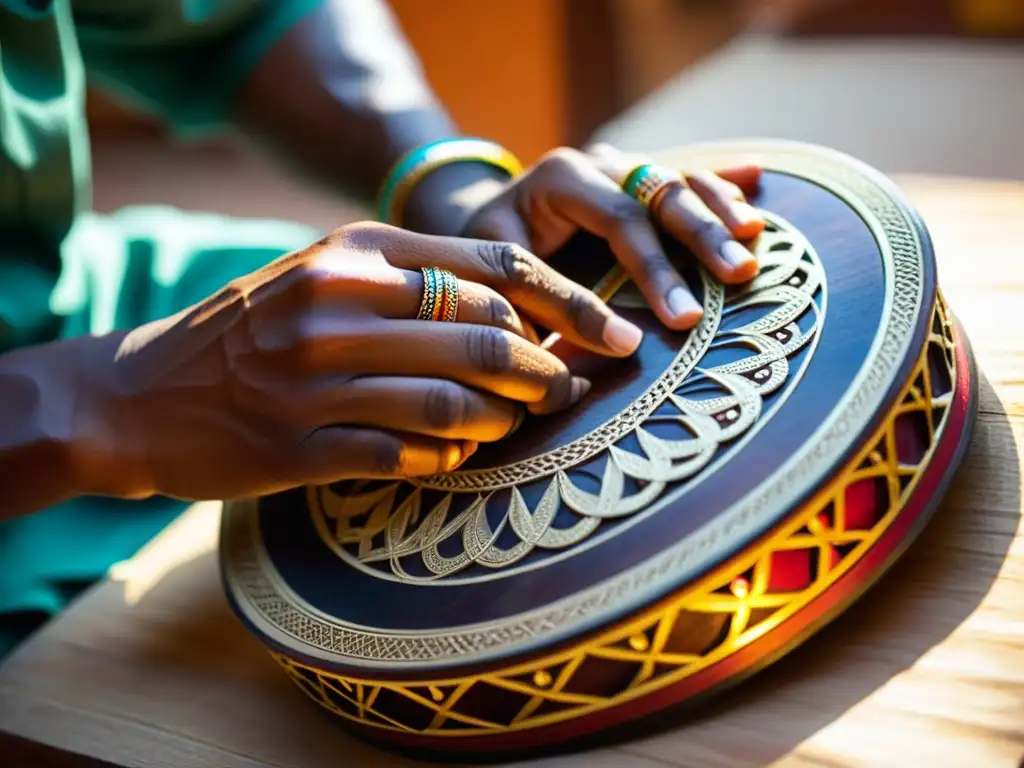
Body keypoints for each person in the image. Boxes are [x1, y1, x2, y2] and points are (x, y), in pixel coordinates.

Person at [0, 0, 766, 657]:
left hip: (81, 299)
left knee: (358, 324)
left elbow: (236, 17)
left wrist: (455, 192)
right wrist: (107, 401)